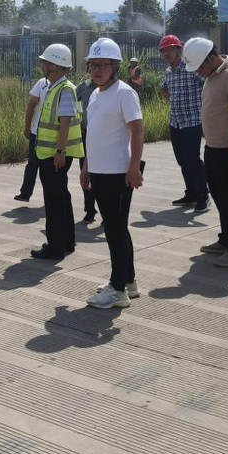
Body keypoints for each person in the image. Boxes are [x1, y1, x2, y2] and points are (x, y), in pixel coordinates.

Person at [80, 38, 145, 309]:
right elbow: (92, 134)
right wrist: (86, 167)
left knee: (115, 231)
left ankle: (117, 288)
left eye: (103, 64)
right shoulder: (95, 94)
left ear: (115, 66)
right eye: (93, 65)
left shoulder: (124, 93)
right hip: (99, 171)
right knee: (117, 229)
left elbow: (138, 130)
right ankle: (128, 282)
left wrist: (134, 167)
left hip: (118, 173)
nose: (97, 69)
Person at [183, 37, 228, 268]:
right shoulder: (212, 75)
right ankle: (226, 239)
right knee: (221, 197)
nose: (199, 72)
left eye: (200, 66)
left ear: (212, 58)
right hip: (213, 147)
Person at [30, 43, 84, 261]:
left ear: (54, 65)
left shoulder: (65, 89)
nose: (42, 66)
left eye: (45, 62)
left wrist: (60, 151)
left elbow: (64, 123)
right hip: (50, 154)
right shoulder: (54, 87)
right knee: (61, 197)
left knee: (54, 201)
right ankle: (66, 241)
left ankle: (55, 247)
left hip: (54, 155)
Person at [159, 34, 209, 213]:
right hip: (176, 122)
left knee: (193, 160)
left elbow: (208, 83)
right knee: (182, 160)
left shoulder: (191, 68)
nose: (167, 54)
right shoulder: (167, 72)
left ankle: (204, 195)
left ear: (179, 50)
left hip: (192, 120)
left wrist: (202, 102)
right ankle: (191, 193)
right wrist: (172, 99)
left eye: (170, 50)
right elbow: (162, 88)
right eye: (164, 51)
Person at [14, 72, 50, 202]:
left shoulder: (67, 87)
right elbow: (31, 105)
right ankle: (25, 193)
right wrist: (27, 126)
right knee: (32, 164)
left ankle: (52, 195)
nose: (44, 67)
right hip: (37, 133)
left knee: (50, 169)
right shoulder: (41, 83)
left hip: (53, 136)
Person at [75, 73, 98, 224]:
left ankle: (107, 212)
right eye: (94, 65)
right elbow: (70, 99)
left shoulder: (115, 90)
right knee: (85, 175)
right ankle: (90, 209)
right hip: (86, 135)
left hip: (104, 139)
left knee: (102, 177)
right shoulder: (83, 87)